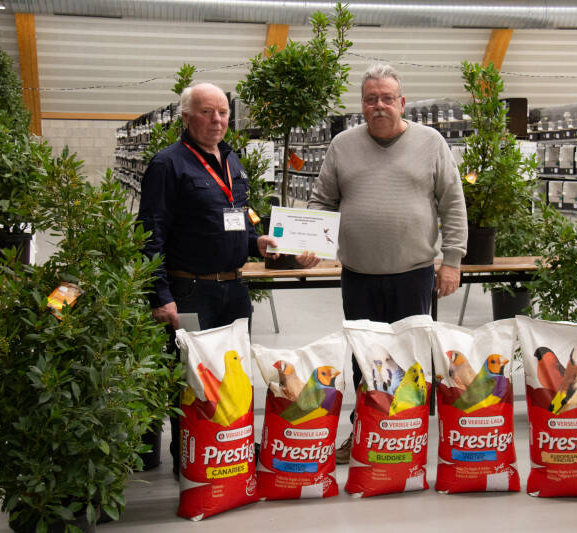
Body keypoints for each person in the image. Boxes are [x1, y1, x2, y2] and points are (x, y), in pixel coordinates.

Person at [138, 82, 319, 474]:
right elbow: (149, 234)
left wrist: (258, 243)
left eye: (222, 112)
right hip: (190, 290)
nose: (217, 120)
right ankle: (190, 458)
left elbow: (237, 219)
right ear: (187, 117)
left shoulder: (232, 161)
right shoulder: (168, 165)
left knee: (232, 374)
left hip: (233, 289)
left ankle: (230, 449)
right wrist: (160, 296)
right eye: (207, 112)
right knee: (194, 376)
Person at [307, 64, 468, 463]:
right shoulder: (343, 145)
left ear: (402, 102)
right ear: (362, 104)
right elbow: (322, 201)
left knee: (410, 363)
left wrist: (452, 260)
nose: (378, 105)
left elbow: (453, 202)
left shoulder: (431, 142)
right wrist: (306, 241)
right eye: (370, 99)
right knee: (364, 362)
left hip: (413, 275)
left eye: (386, 98)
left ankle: (405, 438)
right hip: (358, 276)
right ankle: (364, 432)